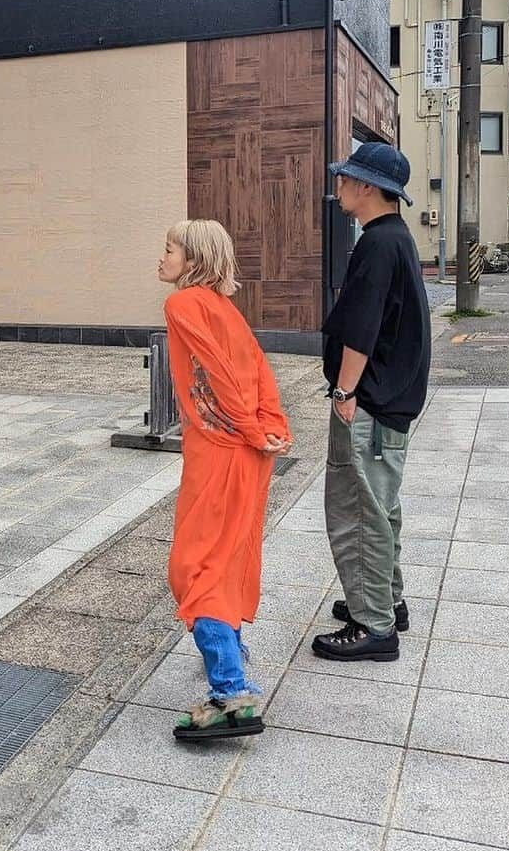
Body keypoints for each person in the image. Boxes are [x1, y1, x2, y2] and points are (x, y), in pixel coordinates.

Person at [159, 219, 292, 740]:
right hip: (244, 450)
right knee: (227, 554)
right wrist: (269, 428)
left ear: (192, 261)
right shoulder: (225, 309)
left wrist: (252, 430)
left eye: (169, 249)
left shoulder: (184, 304)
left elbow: (217, 372)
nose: (161, 258)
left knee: (196, 567)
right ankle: (230, 654)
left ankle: (232, 691)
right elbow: (258, 371)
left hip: (220, 449)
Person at [313, 142, 430, 663]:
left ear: (366, 186)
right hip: (389, 401)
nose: (339, 186)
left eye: (345, 178)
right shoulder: (397, 238)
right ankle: (388, 601)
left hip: (369, 402)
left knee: (359, 511)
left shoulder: (378, 244)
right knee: (381, 505)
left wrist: (343, 390)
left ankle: (374, 625)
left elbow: (361, 329)